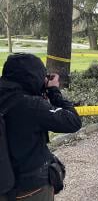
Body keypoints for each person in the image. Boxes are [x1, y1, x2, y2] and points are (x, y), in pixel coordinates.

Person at [0, 53, 81, 201]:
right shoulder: (31, 106)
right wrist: (53, 91)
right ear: (33, 77)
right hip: (29, 188)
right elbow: (73, 121)